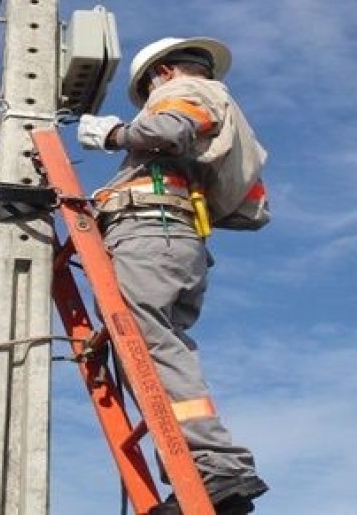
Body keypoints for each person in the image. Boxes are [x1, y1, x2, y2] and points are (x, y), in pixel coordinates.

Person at [77, 37, 269, 515]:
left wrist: (115, 135)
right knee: (158, 350)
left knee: (149, 348)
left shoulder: (184, 90)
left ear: (159, 75)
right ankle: (197, 475)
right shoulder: (217, 102)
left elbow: (167, 129)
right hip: (172, 243)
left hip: (151, 233)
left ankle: (214, 467)